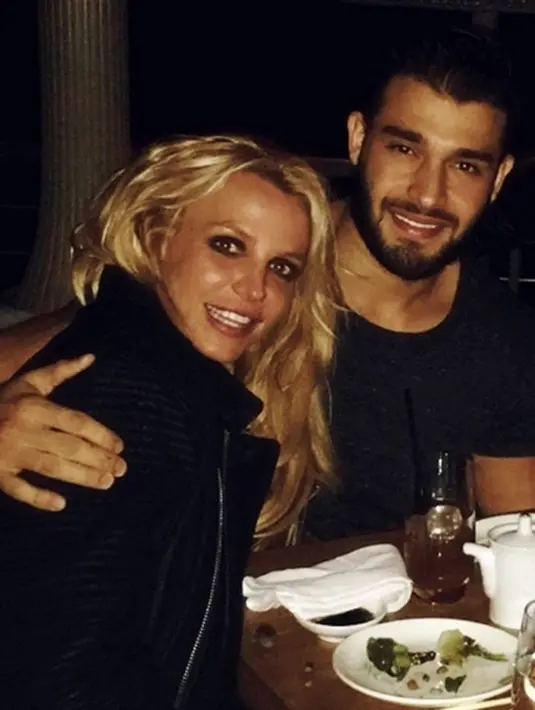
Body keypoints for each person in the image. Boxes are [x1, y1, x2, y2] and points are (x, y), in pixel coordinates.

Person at [2, 26, 535, 539]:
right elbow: (88, 333)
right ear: (358, 139)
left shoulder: (502, 340)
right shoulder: (262, 261)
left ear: (500, 178)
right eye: (405, 149)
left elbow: (517, 537)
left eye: (465, 166)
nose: (427, 194)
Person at [0, 134, 338, 709]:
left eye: (281, 268)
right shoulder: (132, 398)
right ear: (156, 239)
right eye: (228, 245)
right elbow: (69, 678)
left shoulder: (180, 382)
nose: (255, 289)